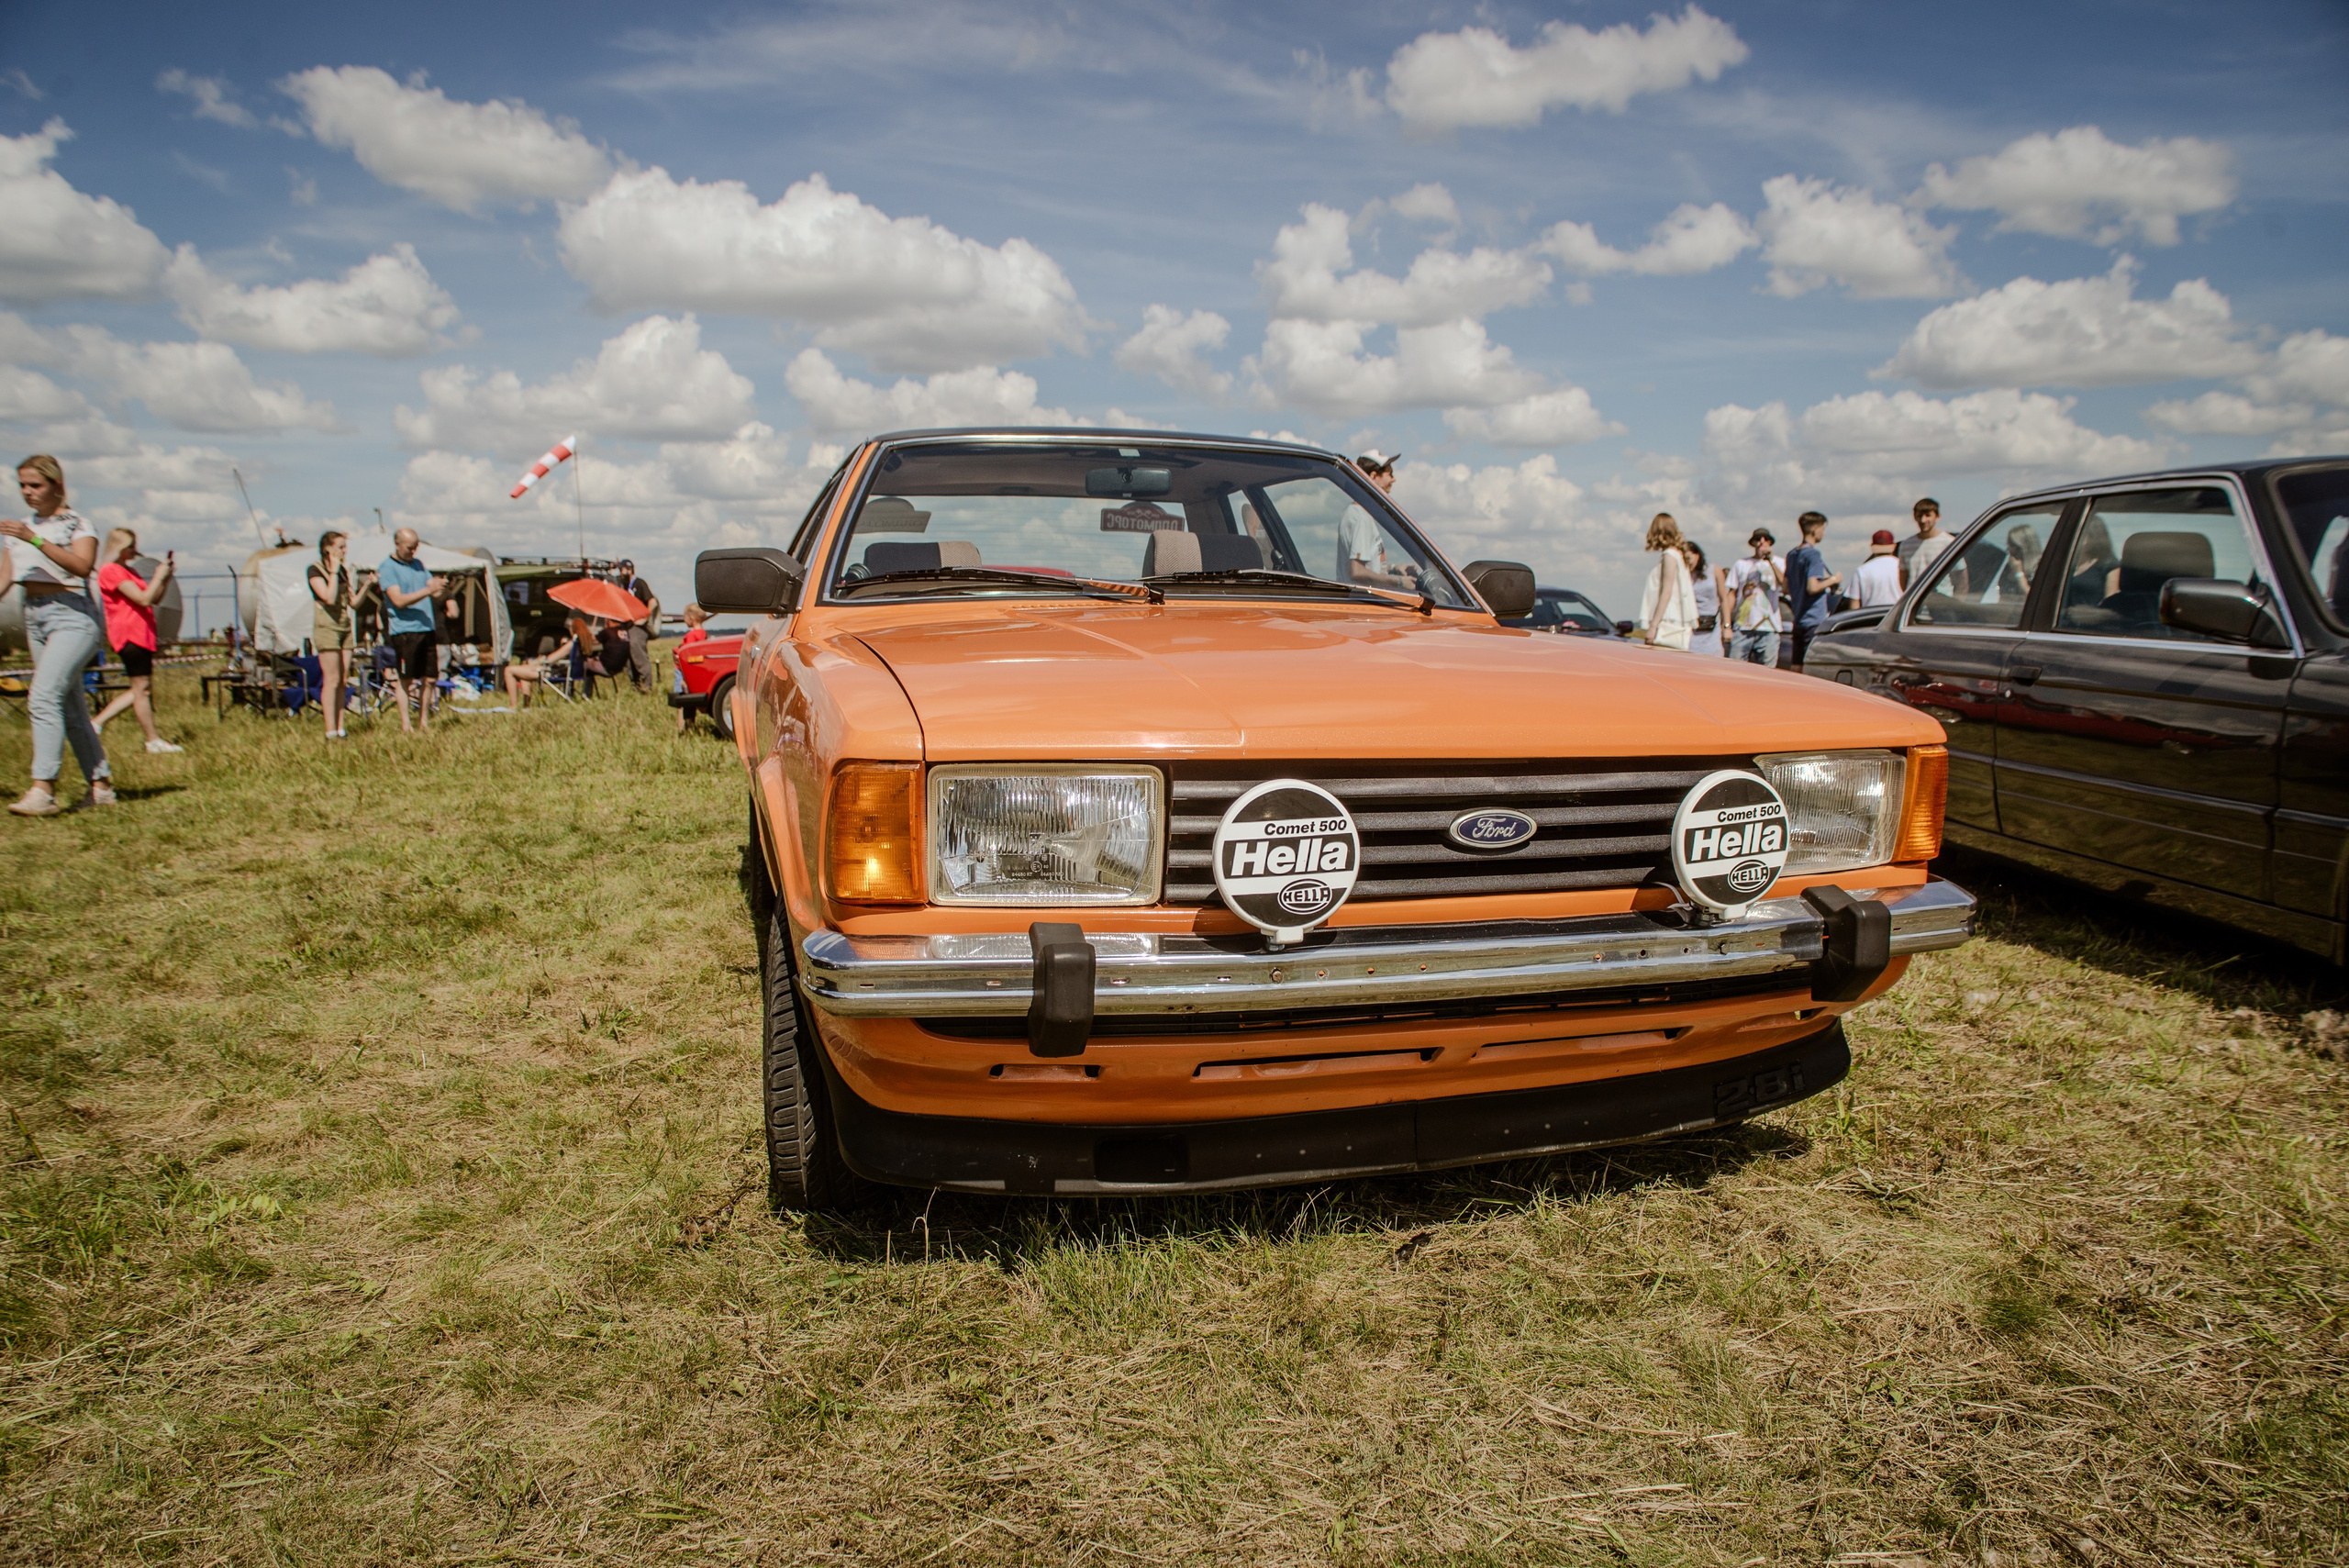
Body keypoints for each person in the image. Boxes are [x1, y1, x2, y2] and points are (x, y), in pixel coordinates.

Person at [1, 455, 115, 814]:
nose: (27, 492)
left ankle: (43, 789)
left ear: (58, 487)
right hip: (34, 617)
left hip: (72, 617)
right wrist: (24, 536)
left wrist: (33, 539)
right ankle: (101, 788)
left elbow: (82, 566)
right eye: (23, 485)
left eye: (36, 485)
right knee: (70, 708)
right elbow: (6, 576)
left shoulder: (77, 524)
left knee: (42, 696)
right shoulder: (19, 527)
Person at [91, 528, 183, 753]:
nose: (134, 549)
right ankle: (151, 740)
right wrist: (158, 576)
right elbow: (142, 599)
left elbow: (154, 598)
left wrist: (165, 579)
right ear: (121, 547)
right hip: (129, 635)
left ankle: (97, 723)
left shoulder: (128, 570)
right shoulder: (111, 571)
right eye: (131, 545)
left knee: (141, 689)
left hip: (142, 634)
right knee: (142, 690)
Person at [378, 528, 449, 734]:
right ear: (397, 544)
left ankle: (423, 722)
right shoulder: (388, 568)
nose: (413, 551)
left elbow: (431, 589)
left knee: (430, 678)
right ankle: (406, 725)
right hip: (405, 631)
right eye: (410, 547)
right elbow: (398, 601)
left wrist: (439, 587)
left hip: (426, 628)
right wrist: (428, 590)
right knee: (406, 680)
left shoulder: (418, 564)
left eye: (416, 547)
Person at [1340, 451, 1421, 590]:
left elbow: (1370, 567)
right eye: (1390, 474)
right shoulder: (1361, 518)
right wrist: (1400, 582)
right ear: (1373, 477)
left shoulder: (1358, 513)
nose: (1393, 479)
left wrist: (1396, 569)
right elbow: (1357, 572)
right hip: (1361, 604)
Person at [306, 530, 357, 740]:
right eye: (340, 547)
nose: (344, 551)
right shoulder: (314, 570)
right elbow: (328, 597)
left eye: (345, 547)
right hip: (327, 628)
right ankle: (330, 731)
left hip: (345, 626)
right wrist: (334, 572)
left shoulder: (343, 570)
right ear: (328, 549)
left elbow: (352, 601)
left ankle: (341, 726)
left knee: (344, 679)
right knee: (333, 679)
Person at [1784, 511, 1841, 672]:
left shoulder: (1792, 555)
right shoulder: (1813, 555)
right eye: (1823, 528)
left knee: (1796, 665)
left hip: (1799, 618)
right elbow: (1813, 587)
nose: (1824, 533)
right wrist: (1833, 580)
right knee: (1810, 667)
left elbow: (1785, 587)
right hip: (1813, 619)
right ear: (1815, 529)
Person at [1724, 527, 1786, 667]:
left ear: (1770, 542)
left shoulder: (1780, 563)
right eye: (1758, 540)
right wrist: (1726, 624)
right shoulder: (1741, 564)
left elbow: (1785, 585)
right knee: (1734, 668)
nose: (1761, 543)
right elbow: (1731, 594)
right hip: (1744, 626)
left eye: (1765, 540)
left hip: (1769, 627)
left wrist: (1770, 561)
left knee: (1768, 672)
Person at [1636, 513, 1698, 651]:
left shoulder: (1670, 556)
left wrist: (1653, 626)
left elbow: (1666, 592)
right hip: (1674, 623)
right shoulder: (1678, 555)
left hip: (1668, 624)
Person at [503, 617, 583, 709]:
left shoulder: (571, 644)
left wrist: (537, 661)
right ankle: (526, 705)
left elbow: (550, 659)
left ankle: (513, 705)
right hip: (560, 670)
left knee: (508, 670)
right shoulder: (580, 643)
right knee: (525, 668)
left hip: (553, 673)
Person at [1896, 497, 1960, 594]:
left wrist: (1958, 604)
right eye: (1919, 516)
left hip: (1943, 602)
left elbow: (1960, 576)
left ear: (1937, 516)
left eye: (1928, 515)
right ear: (1915, 517)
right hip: (1915, 601)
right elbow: (1903, 578)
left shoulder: (1949, 542)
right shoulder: (1906, 545)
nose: (1923, 520)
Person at [616, 559, 658, 692]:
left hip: (637, 626)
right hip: (626, 625)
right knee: (628, 658)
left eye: (623, 570)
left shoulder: (639, 583)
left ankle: (647, 686)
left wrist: (644, 617)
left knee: (638, 652)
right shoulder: (622, 586)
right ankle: (635, 685)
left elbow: (652, 602)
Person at [673, 602, 709, 732]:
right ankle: (691, 726)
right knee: (691, 701)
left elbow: (686, 655)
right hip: (695, 672)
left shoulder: (691, 636)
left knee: (681, 702)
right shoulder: (703, 634)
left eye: (685, 617)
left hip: (683, 672)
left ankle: (681, 728)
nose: (684, 619)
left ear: (692, 618)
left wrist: (677, 651)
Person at [1854, 528, 1903, 609]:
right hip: (1897, 615)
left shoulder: (1861, 570)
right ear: (1894, 546)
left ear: (1872, 547)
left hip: (1869, 617)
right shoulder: (1902, 566)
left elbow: (1854, 602)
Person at [1684, 540, 1718, 648]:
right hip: (1690, 625)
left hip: (1712, 625)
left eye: (1690, 558)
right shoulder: (1683, 575)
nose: (1688, 563)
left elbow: (1724, 599)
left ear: (1697, 555)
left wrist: (1727, 626)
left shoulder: (1713, 570)